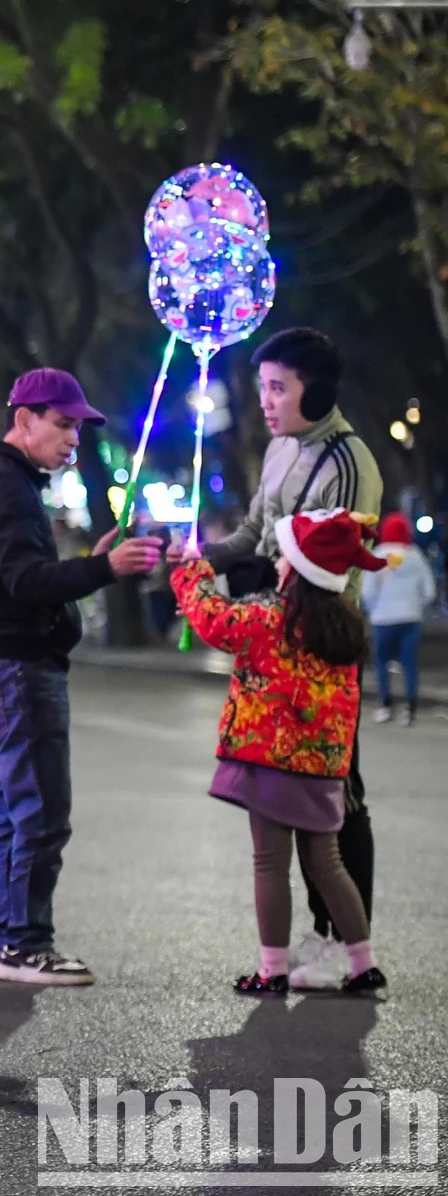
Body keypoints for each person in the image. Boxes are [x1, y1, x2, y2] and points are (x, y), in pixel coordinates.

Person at [0, 368, 162, 986]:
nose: (74, 438)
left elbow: (26, 573)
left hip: (6, 668)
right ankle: (24, 944)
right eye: (64, 423)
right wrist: (103, 568)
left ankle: (6, 943)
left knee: (16, 813)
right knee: (41, 814)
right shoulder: (6, 487)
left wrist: (91, 563)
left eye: (78, 425)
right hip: (17, 671)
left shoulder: (13, 482)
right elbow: (26, 583)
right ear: (24, 418)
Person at [203, 327, 381, 993]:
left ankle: (343, 940)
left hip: (323, 654)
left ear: (317, 389)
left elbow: (335, 566)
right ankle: (324, 935)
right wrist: (204, 559)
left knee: (338, 803)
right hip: (278, 645)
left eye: (279, 388)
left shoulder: (350, 459)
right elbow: (256, 529)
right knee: (291, 800)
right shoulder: (279, 449)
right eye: (262, 388)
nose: (267, 402)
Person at [170, 509, 387, 998]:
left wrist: (191, 570)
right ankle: (363, 963)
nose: (278, 565)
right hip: (324, 767)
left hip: (272, 762)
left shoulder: (270, 620)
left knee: (270, 863)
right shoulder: (345, 627)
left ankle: (271, 970)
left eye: (284, 557)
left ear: (297, 568)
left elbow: (211, 619)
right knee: (327, 863)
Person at [361, 512, 433, 726]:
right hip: (410, 618)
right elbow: (429, 591)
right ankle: (409, 708)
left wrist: (375, 610)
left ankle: (385, 705)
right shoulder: (417, 557)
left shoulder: (377, 555)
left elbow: (367, 592)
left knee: (381, 663)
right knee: (409, 664)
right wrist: (416, 607)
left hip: (382, 619)